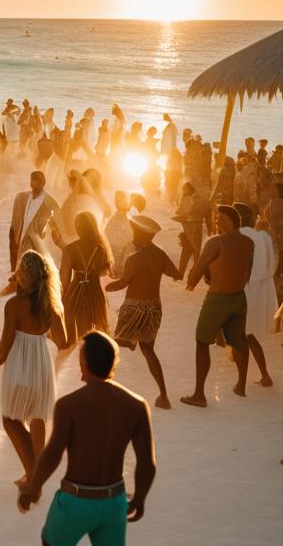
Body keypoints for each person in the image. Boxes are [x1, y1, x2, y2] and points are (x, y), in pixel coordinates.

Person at [19, 331, 156, 546]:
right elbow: (147, 463)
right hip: (113, 500)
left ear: (84, 362)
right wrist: (140, 500)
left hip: (75, 500)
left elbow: (53, 454)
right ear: (113, 363)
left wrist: (32, 488)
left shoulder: (69, 405)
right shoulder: (136, 404)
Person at [0, 251, 68, 491]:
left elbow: (6, 340)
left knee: (10, 419)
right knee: (37, 418)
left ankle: (32, 472)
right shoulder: (50, 306)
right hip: (41, 361)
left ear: (24, 275)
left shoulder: (14, 305)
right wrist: (42, 332)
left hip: (20, 362)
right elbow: (64, 339)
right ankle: (35, 474)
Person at [181, 204, 253, 407]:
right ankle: (241, 385)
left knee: (202, 341)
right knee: (238, 341)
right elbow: (248, 271)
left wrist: (191, 283)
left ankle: (199, 394)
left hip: (218, 299)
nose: (216, 222)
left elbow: (200, 266)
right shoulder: (249, 242)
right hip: (239, 298)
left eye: (218, 219)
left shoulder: (216, 242)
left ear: (229, 220)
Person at [106, 216, 181, 409]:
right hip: (154, 307)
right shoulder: (160, 254)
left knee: (112, 345)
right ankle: (163, 395)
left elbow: (122, 283)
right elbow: (176, 274)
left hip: (133, 308)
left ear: (139, 234)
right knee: (148, 350)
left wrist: (107, 287)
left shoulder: (134, 259)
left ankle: (101, 390)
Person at [234, 202, 276, 388]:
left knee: (243, 335)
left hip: (241, 291)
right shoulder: (262, 236)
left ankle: (249, 378)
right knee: (246, 334)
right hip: (255, 290)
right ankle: (262, 375)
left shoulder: (237, 236)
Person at [59, 210, 112, 346]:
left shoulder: (70, 249)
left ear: (77, 228)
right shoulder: (102, 249)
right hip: (96, 296)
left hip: (75, 295)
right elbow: (105, 278)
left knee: (74, 339)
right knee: (96, 339)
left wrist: (59, 301)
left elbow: (63, 281)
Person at [9, 171, 61, 270]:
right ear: (30, 182)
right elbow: (16, 222)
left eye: (39, 181)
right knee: (20, 267)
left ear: (44, 183)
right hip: (21, 238)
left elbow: (56, 218)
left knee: (32, 268)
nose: (35, 183)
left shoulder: (49, 201)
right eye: (33, 180)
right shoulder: (22, 197)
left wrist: (55, 231)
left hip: (36, 241)